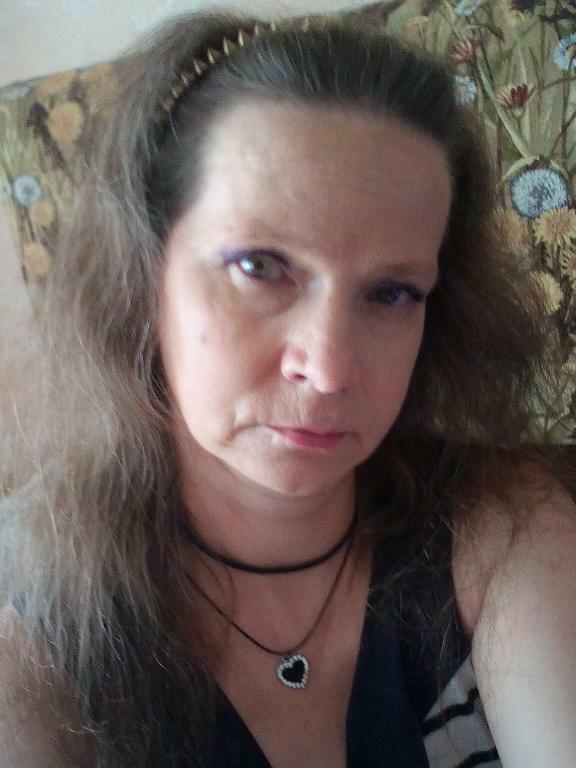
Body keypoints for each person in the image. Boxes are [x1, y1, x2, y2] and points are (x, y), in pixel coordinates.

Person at [1, 9, 576, 768]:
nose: (329, 370)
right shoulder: (35, 629)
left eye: (392, 293)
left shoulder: (506, 532)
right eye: (260, 266)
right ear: (142, 276)